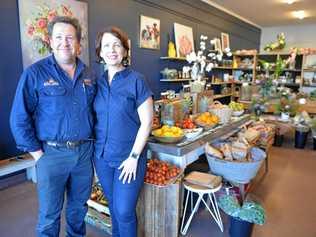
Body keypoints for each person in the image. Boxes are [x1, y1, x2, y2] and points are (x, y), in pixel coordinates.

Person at [10, 16, 96, 237]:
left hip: (84, 154)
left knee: (78, 211)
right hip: (51, 154)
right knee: (49, 216)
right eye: (58, 37)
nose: (64, 42)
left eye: (69, 37)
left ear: (79, 43)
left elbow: (96, 113)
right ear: (50, 41)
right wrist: (39, 155)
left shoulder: (89, 75)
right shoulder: (34, 74)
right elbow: (19, 118)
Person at [94, 26, 153, 237]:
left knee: (124, 211)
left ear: (125, 51)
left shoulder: (137, 80)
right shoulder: (96, 83)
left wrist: (134, 157)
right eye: (107, 45)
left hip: (128, 158)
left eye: (117, 45)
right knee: (113, 206)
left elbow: (147, 122)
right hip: (101, 157)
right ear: (100, 52)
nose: (112, 50)